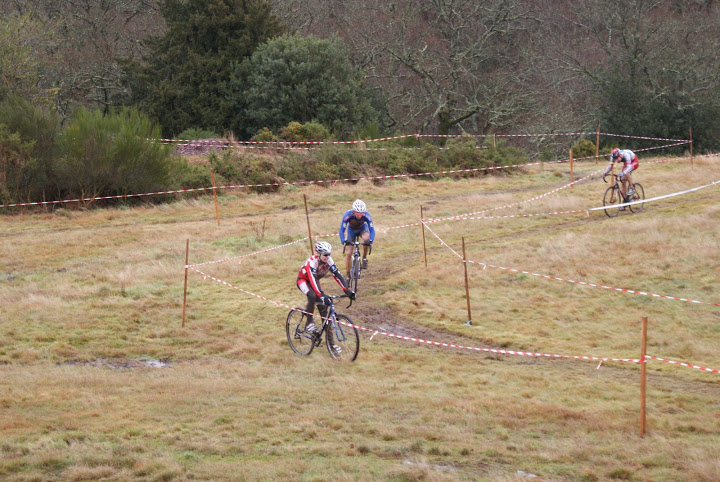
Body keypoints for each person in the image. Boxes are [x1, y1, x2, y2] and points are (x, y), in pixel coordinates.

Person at [296, 240, 355, 354]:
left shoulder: (329, 261)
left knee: (325, 315)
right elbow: (312, 281)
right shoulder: (312, 262)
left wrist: (347, 290)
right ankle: (309, 323)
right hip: (303, 280)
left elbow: (337, 275)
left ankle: (332, 345)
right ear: (318, 254)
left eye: (329, 254)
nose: (328, 257)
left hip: (314, 281)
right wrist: (321, 295)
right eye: (325, 255)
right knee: (313, 295)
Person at [339, 199, 375, 280]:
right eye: (358, 213)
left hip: (362, 229)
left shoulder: (367, 216)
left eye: (361, 213)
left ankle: (364, 257)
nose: (360, 215)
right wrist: (343, 240)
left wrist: (370, 241)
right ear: (354, 211)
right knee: (348, 253)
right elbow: (341, 229)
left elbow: (372, 230)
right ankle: (348, 275)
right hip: (351, 231)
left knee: (366, 238)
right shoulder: (347, 215)